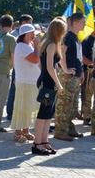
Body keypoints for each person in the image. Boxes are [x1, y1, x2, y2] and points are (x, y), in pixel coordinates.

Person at [33, 18, 72, 154]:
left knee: (49, 114)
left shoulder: (51, 43)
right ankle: (37, 143)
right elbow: (50, 67)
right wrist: (58, 84)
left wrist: (65, 71)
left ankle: (44, 141)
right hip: (48, 82)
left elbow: (49, 64)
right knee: (43, 113)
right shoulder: (50, 45)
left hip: (47, 81)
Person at [55, 12, 86, 141]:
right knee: (64, 104)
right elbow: (61, 52)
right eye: (83, 21)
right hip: (68, 77)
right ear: (76, 22)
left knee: (72, 105)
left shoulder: (75, 37)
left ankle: (69, 128)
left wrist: (82, 72)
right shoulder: (67, 36)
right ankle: (60, 131)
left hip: (75, 76)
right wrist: (65, 69)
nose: (85, 24)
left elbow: (78, 56)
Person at [10, 24, 40, 143]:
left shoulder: (27, 45)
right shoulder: (22, 46)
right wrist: (37, 46)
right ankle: (18, 132)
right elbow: (35, 59)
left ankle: (25, 130)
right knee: (21, 107)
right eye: (33, 33)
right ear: (26, 34)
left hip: (30, 81)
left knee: (29, 107)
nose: (34, 35)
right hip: (25, 81)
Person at [7, 14, 34, 121]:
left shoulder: (27, 37)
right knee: (14, 91)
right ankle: (11, 113)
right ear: (24, 23)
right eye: (29, 23)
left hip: (23, 67)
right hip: (18, 67)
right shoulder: (15, 36)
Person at [82, 32, 95, 126]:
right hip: (89, 70)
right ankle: (86, 117)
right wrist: (92, 64)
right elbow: (82, 56)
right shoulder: (87, 40)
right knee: (87, 94)